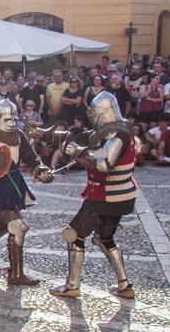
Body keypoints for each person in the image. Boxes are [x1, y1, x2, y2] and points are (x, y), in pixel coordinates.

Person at [49, 91, 137, 300]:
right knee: (104, 238)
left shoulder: (118, 135)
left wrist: (79, 153)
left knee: (74, 234)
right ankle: (124, 285)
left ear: (103, 112)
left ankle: (72, 285)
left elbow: (104, 164)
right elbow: (89, 140)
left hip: (105, 195)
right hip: (121, 197)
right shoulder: (120, 130)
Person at [0, 100, 53, 287]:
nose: (12, 122)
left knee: (2, 224)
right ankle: (16, 275)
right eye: (7, 118)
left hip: (14, 184)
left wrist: (41, 169)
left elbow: (31, 157)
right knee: (16, 226)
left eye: (14, 118)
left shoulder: (18, 135)